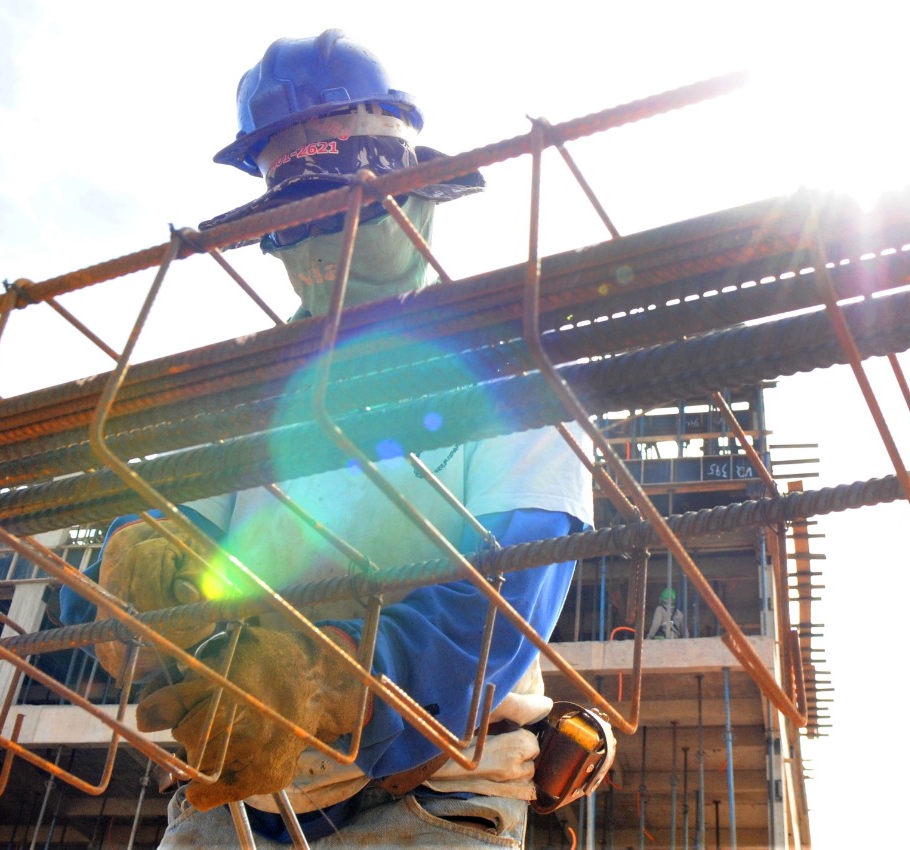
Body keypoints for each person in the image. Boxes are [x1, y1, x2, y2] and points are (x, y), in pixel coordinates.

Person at [63, 30, 594, 848]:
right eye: (293, 220)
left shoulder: (507, 363)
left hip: (435, 793)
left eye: (346, 202)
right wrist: (123, 576)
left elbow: (513, 590)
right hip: (239, 804)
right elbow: (168, 570)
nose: (319, 244)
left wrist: (331, 689)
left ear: (417, 194)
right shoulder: (248, 396)